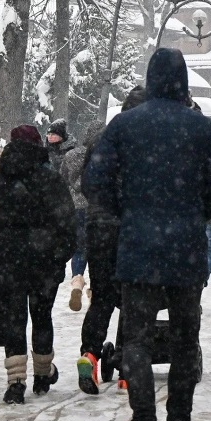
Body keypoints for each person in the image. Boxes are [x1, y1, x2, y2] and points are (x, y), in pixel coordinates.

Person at [82, 48, 211, 421]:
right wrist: (193, 210)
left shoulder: (125, 126)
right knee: (186, 340)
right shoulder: (202, 129)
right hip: (185, 247)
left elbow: (93, 180)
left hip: (138, 247)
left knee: (135, 338)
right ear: (183, 81)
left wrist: (128, 210)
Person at [0, 125, 76, 404]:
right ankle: (43, 374)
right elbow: (67, 222)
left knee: (14, 318)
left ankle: (15, 381)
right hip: (43, 263)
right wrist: (60, 256)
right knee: (42, 316)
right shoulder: (50, 179)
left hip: (7, 262)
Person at [77, 87, 145, 395]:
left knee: (102, 296)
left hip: (98, 226)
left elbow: (88, 185)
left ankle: (89, 354)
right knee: (133, 298)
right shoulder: (145, 141)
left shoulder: (103, 139)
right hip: (130, 227)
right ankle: (126, 367)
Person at [60, 122, 103, 317]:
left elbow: (63, 179)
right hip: (96, 207)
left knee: (79, 247)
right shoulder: (103, 156)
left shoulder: (71, 156)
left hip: (75, 207)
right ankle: (94, 290)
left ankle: (77, 280)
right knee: (96, 248)